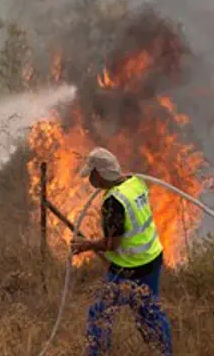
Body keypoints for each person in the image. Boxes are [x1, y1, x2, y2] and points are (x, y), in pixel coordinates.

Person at [71, 147, 173, 355]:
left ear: (98, 175)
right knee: (150, 312)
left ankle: (96, 352)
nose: (89, 178)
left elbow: (112, 244)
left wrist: (86, 245)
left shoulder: (113, 202)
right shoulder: (135, 182)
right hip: (152, 258)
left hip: (129, 268)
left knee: (100, 313)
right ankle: (164, 351)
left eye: (90, 173)